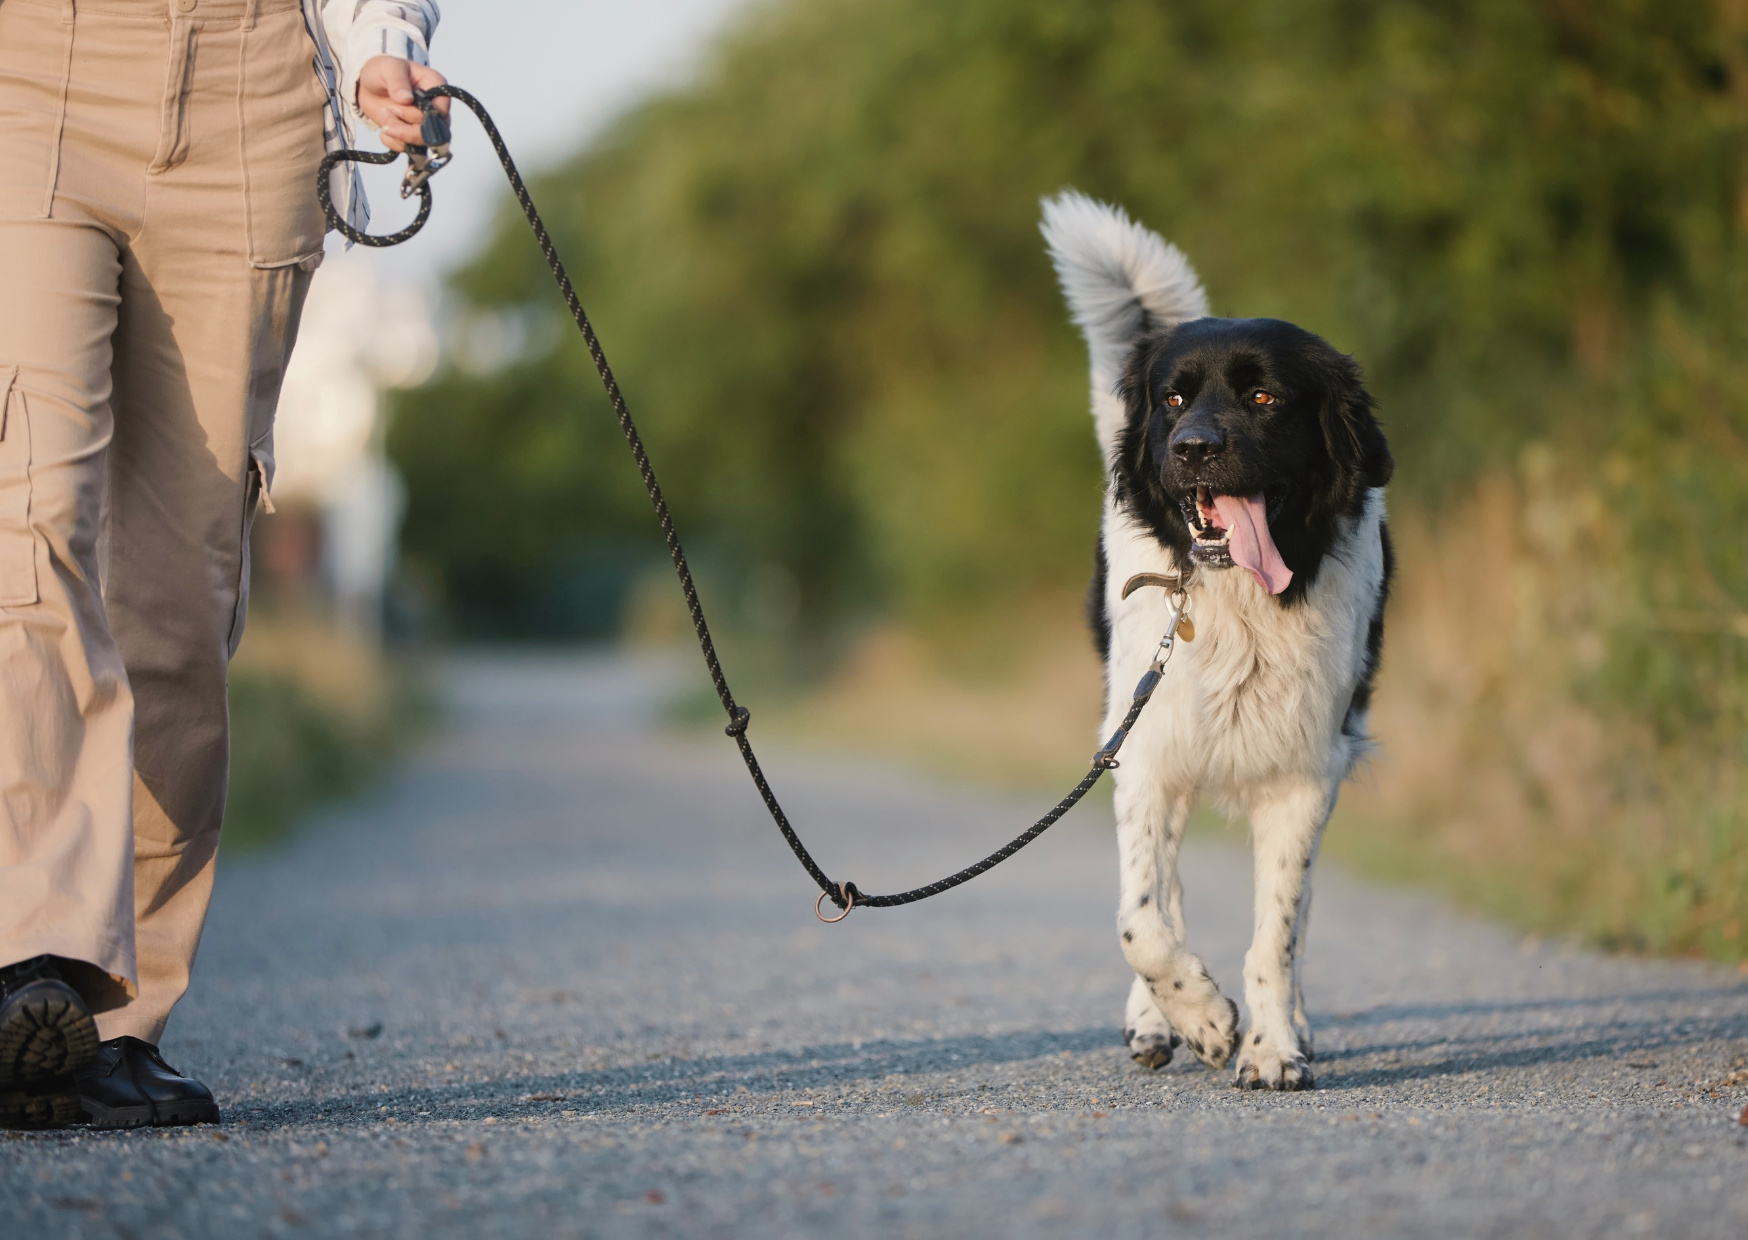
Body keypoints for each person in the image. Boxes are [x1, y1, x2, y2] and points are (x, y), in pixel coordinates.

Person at [0, 0, 446, 1130]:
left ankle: (111, 1022)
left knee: (178, 596)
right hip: (35, 65)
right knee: (34, 517)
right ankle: (31, 955)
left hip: (253, 92)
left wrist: (389, 41)